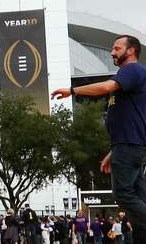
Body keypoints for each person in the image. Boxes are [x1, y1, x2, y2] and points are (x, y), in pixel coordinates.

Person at [53, 35, 145, 244]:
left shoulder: (132, 70)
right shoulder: (130, 78)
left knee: (123, 195)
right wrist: (113, 152)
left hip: (128, 145)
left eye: (116, 48)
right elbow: (134, 119)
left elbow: (104, 88)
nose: (112, 52)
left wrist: (72, 90)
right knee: (139, 198)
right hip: (127, 145)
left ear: (131, 51)